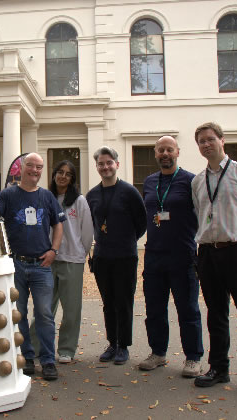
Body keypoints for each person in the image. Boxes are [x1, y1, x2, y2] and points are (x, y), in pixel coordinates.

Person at [191, 122, 237, 398]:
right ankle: (218, 368)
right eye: (201, 141)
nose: (206, 144)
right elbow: (201, 214)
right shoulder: (198, 181)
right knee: (216, 314)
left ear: (222, 140)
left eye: (210, 139)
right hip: (209, 253)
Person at [0, 153, 65, 381]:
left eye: (39, 167)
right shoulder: (7, 195)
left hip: (42, 265)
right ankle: (27, 358)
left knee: (44, 313)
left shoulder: (47, 196)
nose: (35, 170)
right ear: (21, 168)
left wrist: (54, 250)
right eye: (31, 166)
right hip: (16, 264)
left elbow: (58, 224)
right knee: (19, 313)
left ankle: (48, 361)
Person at [139, 136, 203, 377]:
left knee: (187, 309)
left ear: (177, 152)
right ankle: (158, 353)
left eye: (169, 149)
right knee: (154, 308)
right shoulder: (149, 182)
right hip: (154, 255)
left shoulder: (191, 181)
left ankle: (193, 357)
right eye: (160, 150)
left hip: (182, 255)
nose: (165, 154)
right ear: (155, 154)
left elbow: (202, 212)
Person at [86, 146, 147, 365]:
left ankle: (124, 345)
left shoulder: (129, 192)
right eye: (101, 164)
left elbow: (142, 223)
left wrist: (126, 239)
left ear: (117, 165)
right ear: (97, 167)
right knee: (108, 302)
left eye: (109, 162)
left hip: (125, 256)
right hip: (102, 257)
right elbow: (90, 224)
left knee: (124, 301)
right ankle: (112, 342)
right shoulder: (92, 195)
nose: (105, 167)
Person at [47, 160, 94, 364]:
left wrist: (80, 254)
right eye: (60, 172)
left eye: (67, 174)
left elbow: (86, 231)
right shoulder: (46, 198)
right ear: (54, 174)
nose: (63, 176)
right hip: (48, 259)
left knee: (71, 309)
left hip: (71, 260)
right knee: (44, 307)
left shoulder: (79, 201)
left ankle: (66, 349)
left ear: (72, 179)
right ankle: (37, 346)